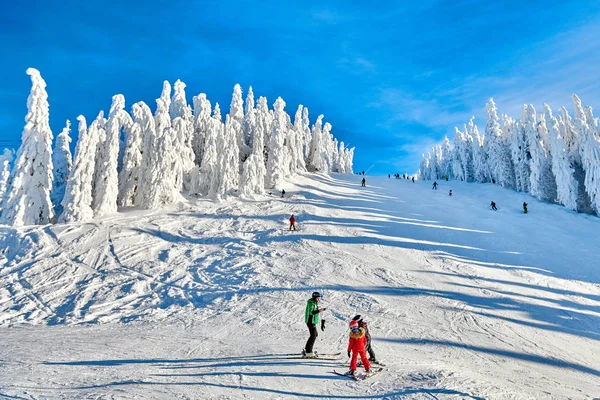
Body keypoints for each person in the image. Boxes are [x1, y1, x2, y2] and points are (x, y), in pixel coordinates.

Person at [303, 292, 326, 358]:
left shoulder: (314, 303)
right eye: (318, 297)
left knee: (315, 335)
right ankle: (308, 352)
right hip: (310, 321)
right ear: (314, 297)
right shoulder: (311, 303)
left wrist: (322, 322)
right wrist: (320, 310)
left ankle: (307, 349)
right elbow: (311, 312)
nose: (319, 299)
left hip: (313, 321)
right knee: (313, 336)